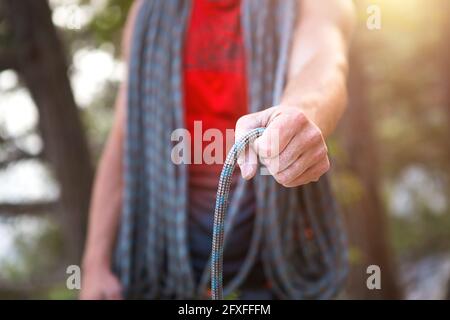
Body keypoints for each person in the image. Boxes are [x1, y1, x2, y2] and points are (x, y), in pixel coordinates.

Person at [80, 0, 355, 300]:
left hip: (275, 265)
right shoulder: (148, 11)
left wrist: (299, 113)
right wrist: (94, 263)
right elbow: (126, 137)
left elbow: (323, 63)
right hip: (164, 262)